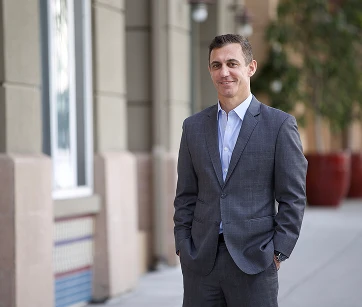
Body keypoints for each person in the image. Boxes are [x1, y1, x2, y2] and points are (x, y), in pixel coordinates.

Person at [173, 34, 308, 307]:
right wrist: (183, 245)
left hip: (254, 262)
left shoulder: (279, 126)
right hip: (201, 262)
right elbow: (186, 194)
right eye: (216, 65)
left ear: (251, 67)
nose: (224, 72)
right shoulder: (193, 127)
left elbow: (293, 196)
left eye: (232, 63)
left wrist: (278, 252)